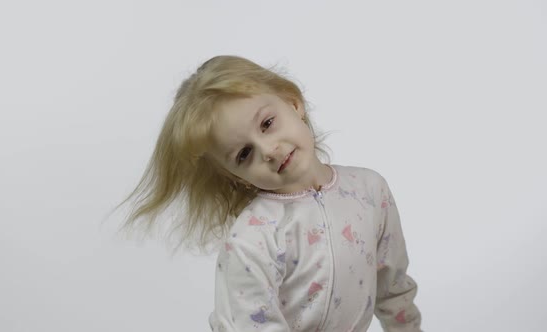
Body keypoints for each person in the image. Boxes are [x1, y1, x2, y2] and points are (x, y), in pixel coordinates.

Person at [114, 55, 423, 331]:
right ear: (235, 176)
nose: (269, 150)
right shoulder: (253, 238)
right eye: (244, 154)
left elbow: (392, 287)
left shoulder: (369, 191)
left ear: (292, 103)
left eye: (267, 123)